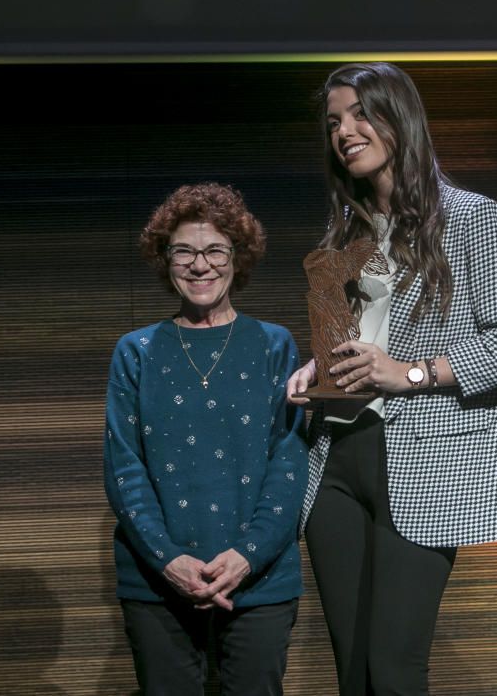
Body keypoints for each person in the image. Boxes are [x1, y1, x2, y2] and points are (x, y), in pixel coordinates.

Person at [286, 62, 497, 695]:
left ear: (398, 118)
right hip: (336, 463)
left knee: (393, 669)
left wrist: (415, 373)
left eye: (358, 115)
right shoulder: (342, 233)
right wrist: (321, 367)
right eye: (334, 123)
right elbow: (361, 344)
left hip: (428, 461)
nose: (344, 131)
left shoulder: (474, 218)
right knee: (353, 673)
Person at [105, 183, 308, 696]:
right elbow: (124, 468)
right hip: (158, 580)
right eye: (184, 251)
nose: (201, 265)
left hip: (259, 579)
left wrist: (247, 554)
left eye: (215, 249)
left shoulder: (273, 344)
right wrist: (169, 560)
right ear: (164, 259)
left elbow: (289, 461)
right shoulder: (137, 351)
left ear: (238, 258)